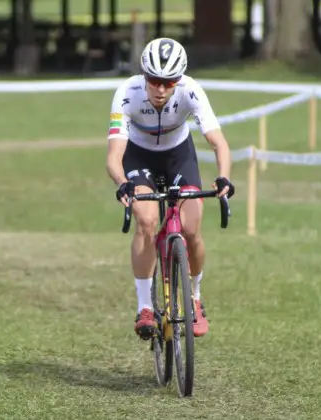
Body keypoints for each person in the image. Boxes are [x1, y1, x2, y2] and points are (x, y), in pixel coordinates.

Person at [105, 37, 235, 340]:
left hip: (179, 155)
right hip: (138, 155)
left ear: (179, 80)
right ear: (144, 76)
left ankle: (195, 298)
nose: (161, 89)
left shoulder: (191, 90)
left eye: (169, 82)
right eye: (154, 81)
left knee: (191, 230)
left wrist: (223, 177)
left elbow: (219, 142)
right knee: (147, 221)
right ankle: (145, 307)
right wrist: (122, 183)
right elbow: (114, 157)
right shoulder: (127, 93)